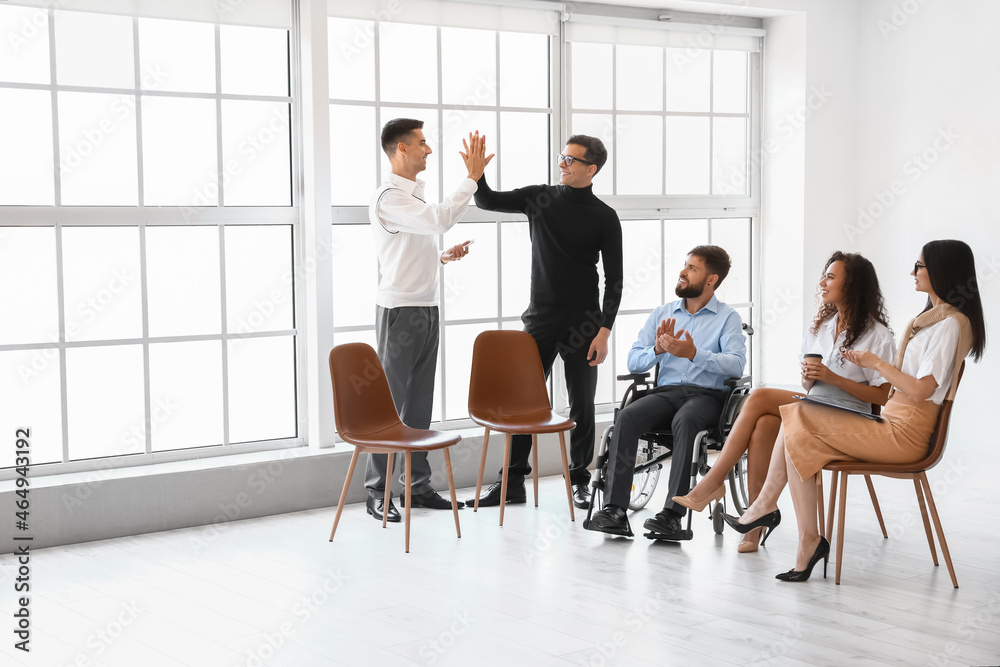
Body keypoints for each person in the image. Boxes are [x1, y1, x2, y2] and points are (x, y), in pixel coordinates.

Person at [724, 239, 986, 581]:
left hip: (906, 434)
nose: (913, 272)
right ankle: (801, 535)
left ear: (941, 270)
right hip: (892, 421)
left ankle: (771, 512)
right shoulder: (932, 321)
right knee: (796, 422)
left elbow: (922, 390)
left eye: (919, 266)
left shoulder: (950, 324)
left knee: (795, 417)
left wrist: (875, 362)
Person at [673, 251, 896, 552]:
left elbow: (881, 397)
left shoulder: (877, 335)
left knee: (761, 395)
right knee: (765, 424)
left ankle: (713, 481)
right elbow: (810, 383)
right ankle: (753, 528)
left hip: (849, 416)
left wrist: (834, 378)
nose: (822, 282)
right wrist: (811, 377)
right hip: (816, 404)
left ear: (853, 285)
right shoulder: (822, 326)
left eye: (831, 276)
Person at [467, 136, 623, 510]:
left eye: (571, 160)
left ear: (591, 169)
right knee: (523, 402)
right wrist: (477, 176)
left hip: (584, 324)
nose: (562, 164)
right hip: (540, 319)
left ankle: (581, 479)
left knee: (582, 403)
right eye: (562, 157)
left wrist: (604, 330)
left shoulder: (604, 216)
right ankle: (513, 481)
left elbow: (614, 279)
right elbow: (488, 201)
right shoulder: (540, 198)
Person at [365, 119, 493, 523]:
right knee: (389, 407)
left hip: (426, 308)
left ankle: (416, 487)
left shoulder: (412, 197)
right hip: (400, 311)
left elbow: (411, 245)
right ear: (401, 148)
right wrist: (471, 178)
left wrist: (440, 257)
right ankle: (378, 492)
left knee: (419, 405)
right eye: (422, 143)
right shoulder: (389, 197)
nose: (429, 150)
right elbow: (438, 220)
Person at [587, 246, 747, 539]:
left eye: (692, 268)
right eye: (684, 266)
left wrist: (694, 353)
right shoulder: (662, 313)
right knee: (628, 416)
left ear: (711, 280)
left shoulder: (728, 318)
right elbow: (634, 360)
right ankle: (614, 511)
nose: (683, 273)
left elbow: (736, 366)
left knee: (686, 421)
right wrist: (657, 350)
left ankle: (672, 514)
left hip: (706, 397)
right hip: (666, 393)